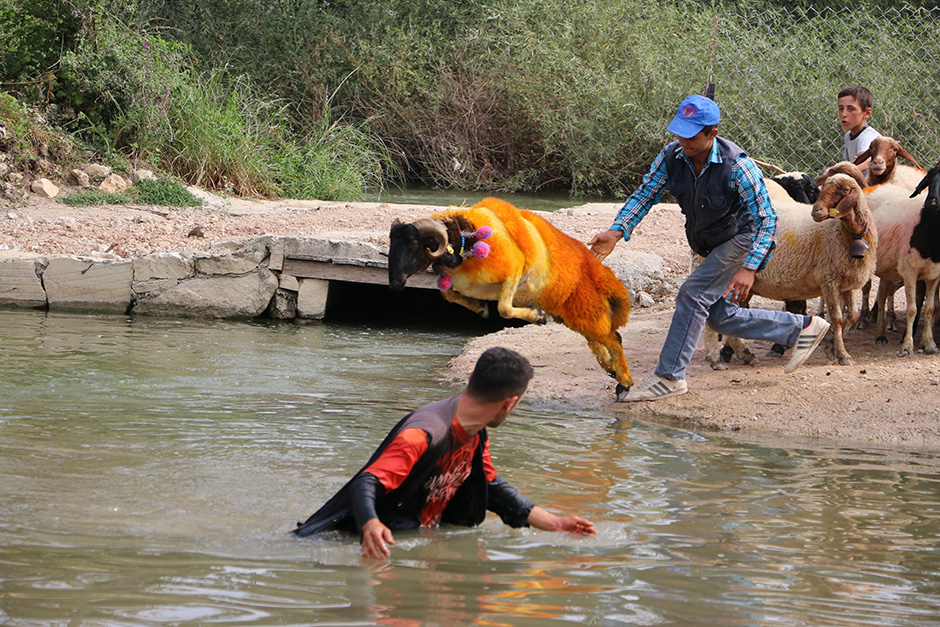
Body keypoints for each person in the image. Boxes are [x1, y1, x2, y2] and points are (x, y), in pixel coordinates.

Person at [588, 95, 831, 402]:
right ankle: (803, 328)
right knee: (720, 317)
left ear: (711, 133)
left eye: (690, 135)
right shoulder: (672, 157)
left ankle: (670, 377)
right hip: (712, 244)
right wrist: (616, 230)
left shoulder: (738, 166)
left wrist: (750, 267)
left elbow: (768, 220)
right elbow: (644, 194)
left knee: (691, 293)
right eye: (678, 132)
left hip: (742, 238)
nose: (682, 140)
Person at [291, 346, 596, 558]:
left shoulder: (476, 434)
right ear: (510, 403)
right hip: (349, 542)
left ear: (470, 380)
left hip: (415, 540)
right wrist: (370, 524)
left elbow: (492, 487)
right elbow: (367, 482)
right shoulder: (422, 434)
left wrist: (554, 523)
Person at [838, 84, 881, 171]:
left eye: (851, 109)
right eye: (841, 108)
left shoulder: (866, 137)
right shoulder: (848, 136)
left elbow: (864, 164)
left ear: (867, 113)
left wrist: (840, 176)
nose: (844, 114)